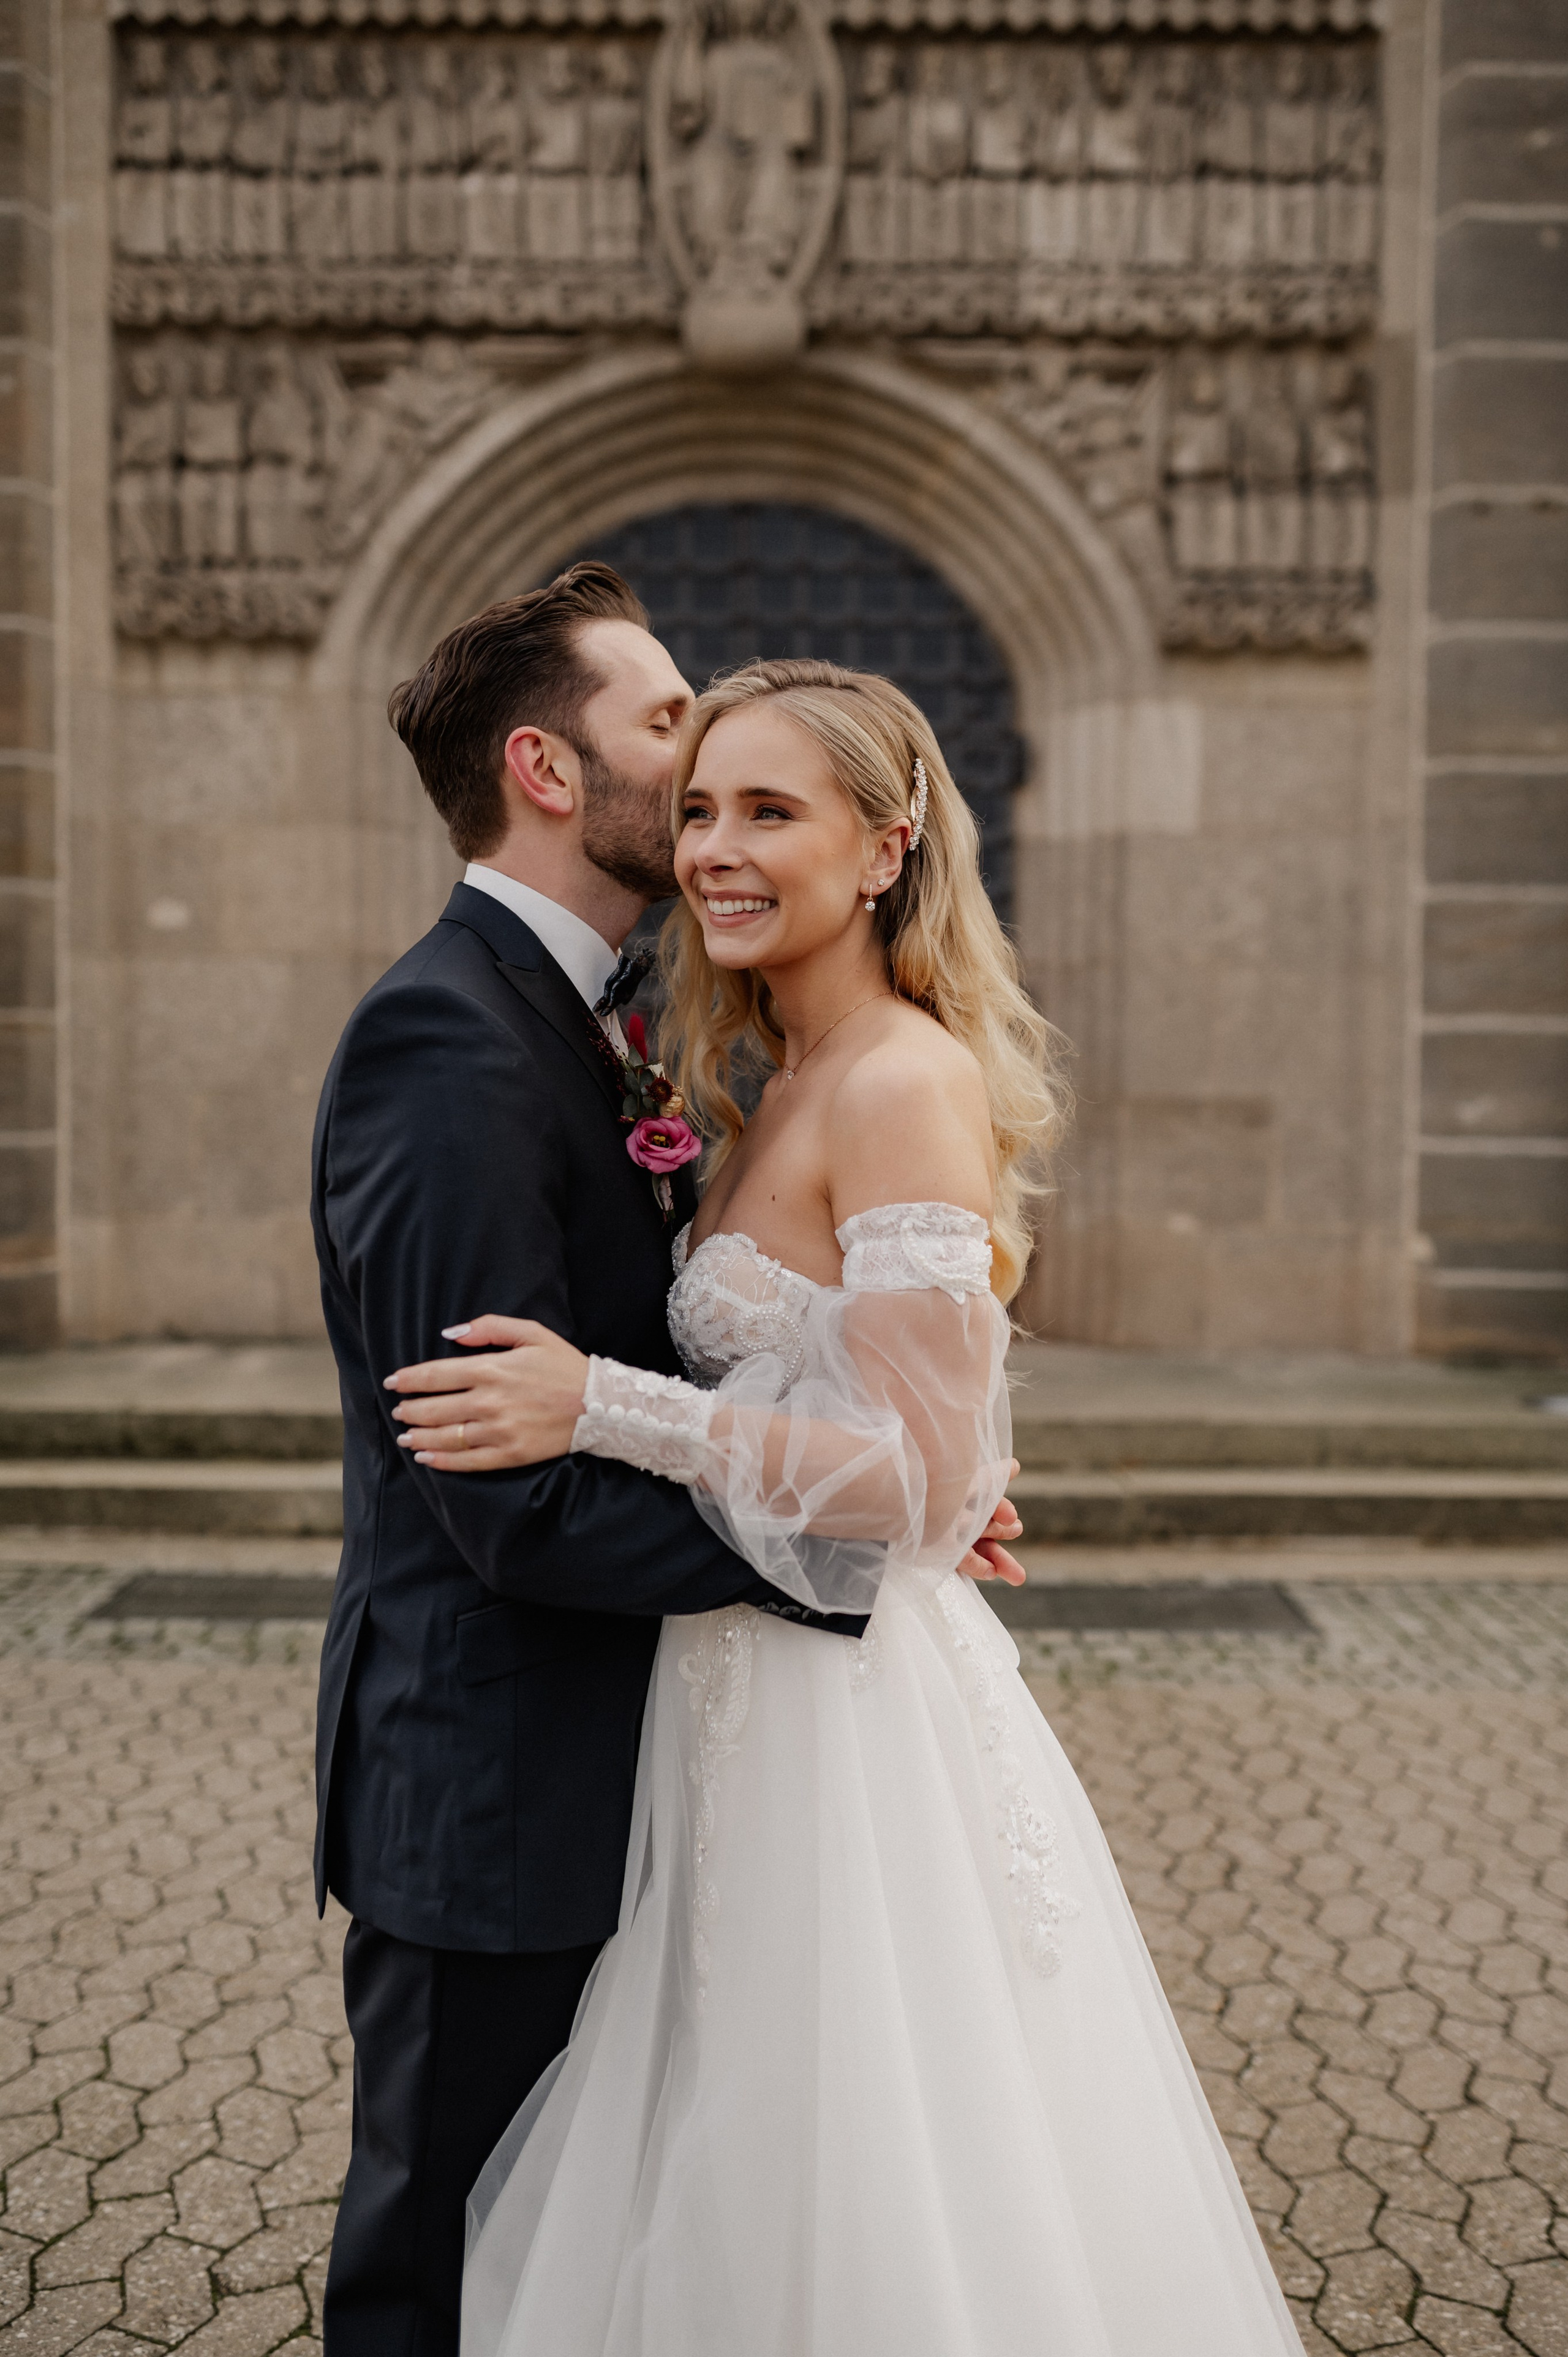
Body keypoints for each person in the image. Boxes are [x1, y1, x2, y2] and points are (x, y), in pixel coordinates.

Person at [386, 658, 1308, 2356]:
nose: (719, 849)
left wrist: (598, 1400)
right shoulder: (762, 1079)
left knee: (854, 2143)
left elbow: (918, 1478)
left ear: (885, 850)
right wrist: (916, 1474)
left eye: (774, 814)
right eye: (710, 808)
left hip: (849, 1726)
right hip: (735, 1684)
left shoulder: (896, 1079)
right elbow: (904, 1447)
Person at [310, 570, 1025, 2357]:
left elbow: (801, 1418)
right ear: (550, 771)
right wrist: (853, 1507)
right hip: (501, 1779)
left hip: (700, 1752)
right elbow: (500, 1488)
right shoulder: (456, 1038)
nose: (704, 795)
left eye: (762, 802)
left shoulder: (735, 1048)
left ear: (885, 847)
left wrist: (881, 1481)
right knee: (449, 2260)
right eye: (678, 757)